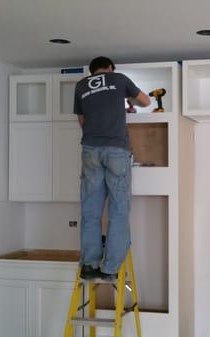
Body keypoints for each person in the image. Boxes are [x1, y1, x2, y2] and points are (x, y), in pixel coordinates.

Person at [73, 56, 150, 280]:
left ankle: (89, 264)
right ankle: (110, 269)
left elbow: (82, 121)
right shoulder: (119, 79)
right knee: (118, 211)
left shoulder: (81, 85)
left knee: (90, 211)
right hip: (116, 150)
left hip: (89, 150)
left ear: (92, 71)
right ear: (111, 68)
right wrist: (127, 106)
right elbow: (146, 102)